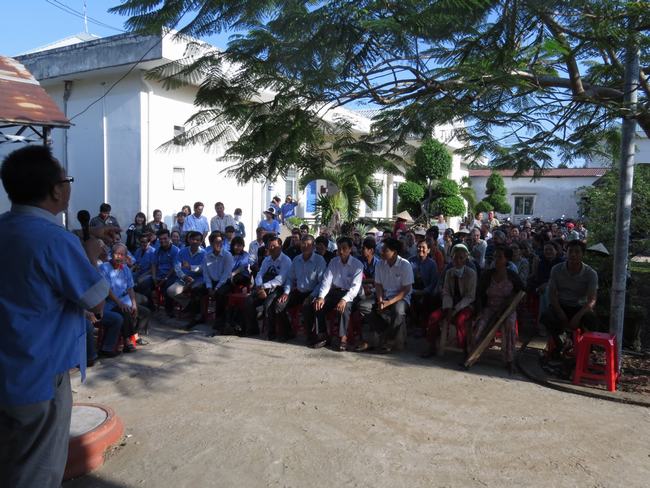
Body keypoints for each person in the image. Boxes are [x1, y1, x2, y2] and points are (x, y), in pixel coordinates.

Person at [0, 145, 109, 488]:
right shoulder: (56, 240)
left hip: (7, 370)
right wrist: (91, 255)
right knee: (38, 471)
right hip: (39, 377)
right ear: (56, 190)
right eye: (66, 180)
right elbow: (97, 301)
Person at [472, 246, 525, 373]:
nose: (496, 259)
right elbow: (479, 294)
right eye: (495, 256)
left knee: (510, 325)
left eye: (500, 257)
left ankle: (509, 360)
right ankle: (473, 355)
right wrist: (479, 311)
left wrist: (509, 304)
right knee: (480, 324)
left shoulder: (512, 276)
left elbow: (521, 292)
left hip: (507, 310)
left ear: (507, 260)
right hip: (489, 307)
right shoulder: (487, 275)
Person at [541, 240, 599, 355]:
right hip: (561, 304)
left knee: (592, 320)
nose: (573, 254)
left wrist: (578, 316)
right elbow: (552, 294)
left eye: (577, 252)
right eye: (570, 251)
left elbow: (592, 300)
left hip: (580, 307)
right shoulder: (556, 269)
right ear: (565, 253)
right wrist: (560, 313)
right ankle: (560, 344)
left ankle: (586, 350)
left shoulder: (591, 273)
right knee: (547, 317)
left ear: (583, 255)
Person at [308, 237, 363, 350]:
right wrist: (321, 297)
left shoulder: (357, 265)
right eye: (339, 248)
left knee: (344, 307)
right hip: (335, 292)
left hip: (351, 295)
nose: (341, 251)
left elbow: (355, 287)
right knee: (318, 304)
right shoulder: (333, 262)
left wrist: (344, 299)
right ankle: (323, 335)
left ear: (350, 249)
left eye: (344, 248)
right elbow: (326, 281)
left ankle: (343, 338)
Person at [424, 244, 477, 357]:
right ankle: (432, 346)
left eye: (461, 258)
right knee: (433, 317)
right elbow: (446, 292)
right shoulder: (449, 272)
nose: (457, 260)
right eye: (455, 257)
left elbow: (470, 296)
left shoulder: (471, 274)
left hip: (466, 305)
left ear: (465, 259)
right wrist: (448, 307)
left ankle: (465, 350)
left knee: (460, 320)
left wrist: (455, 309)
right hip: (450, 304)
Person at [99, 244, 151, 353]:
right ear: (111, 254)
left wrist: (134, 304)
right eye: (117, 254)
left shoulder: (125, 269)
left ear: (125, 256)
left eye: (122, 255)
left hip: (124, 300)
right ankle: (127, 341)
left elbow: (130, 288)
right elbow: (107, 290)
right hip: (110, 303)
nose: (119, 257)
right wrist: (120, 303)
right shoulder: (104, 268)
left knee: (145, 312)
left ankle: (134, 335)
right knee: (126, 312)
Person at [275, 235, 327, 342]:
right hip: (299, 292)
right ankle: (288, 331)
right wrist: (286, 292)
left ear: (313, 246)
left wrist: (312, 295)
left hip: (313, 292)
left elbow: (322, 282)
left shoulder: (319, 260)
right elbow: (290, 278)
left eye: (308, 244)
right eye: (303, 244)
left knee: (307, 306)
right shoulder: (296, 259)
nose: (305, 246)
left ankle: (311, 336)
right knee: (279, 305)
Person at [367, 238, 414, 353]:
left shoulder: (405, 265)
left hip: (401, 298)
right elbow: (378, 285)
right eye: (382, 249)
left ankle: (389, 339)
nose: (381, 252)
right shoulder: (380, 264)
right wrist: (380, 300)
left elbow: (406, 289)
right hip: (384, 296)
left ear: (394, 252)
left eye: (385, 250)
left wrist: (389, 302)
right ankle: (386, 331)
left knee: (398, 311)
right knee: (364, 306)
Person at [244, 236, 291, 337]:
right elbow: (260, 274)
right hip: (263, 287)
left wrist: (263, 287)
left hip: (279, 288)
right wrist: (260, 286)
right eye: (270, 246)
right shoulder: (267, 260)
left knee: (269, 304)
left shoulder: (286, 260)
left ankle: (272, 332)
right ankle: (253, 328)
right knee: (249, 301)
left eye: (274, 246)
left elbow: (280, 279)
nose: (272, 248)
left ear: (280, 247)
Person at [167, 231, 207, 328]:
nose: (195, 242)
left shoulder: (204, 253)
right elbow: (177, 267)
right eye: (193, 239)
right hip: (184, 278)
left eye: (197, 240)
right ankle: (189, 305)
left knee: (196, 290)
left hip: (198, 279)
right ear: (189, 240)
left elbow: (203, 268)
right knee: (170, 291)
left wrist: (190, 267)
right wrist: (184, 276)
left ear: (201, 242)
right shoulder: (182, 252)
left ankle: (196, 314)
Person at [203, 232, 235, 334]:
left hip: (224, 282)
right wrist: (209, 287)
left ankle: (220, 321)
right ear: (211, 243)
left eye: (221, 242)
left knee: (220, 294)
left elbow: (226, 275)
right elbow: (206, 274)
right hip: (212, 282)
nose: (219, 244)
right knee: (198, 290)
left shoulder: (227, 255)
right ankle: (200, 316)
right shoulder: (207, 256)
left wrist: (215, 288)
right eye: (216, 242)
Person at [408, 239, 439, 327]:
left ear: (428, 250)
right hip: (411, 290)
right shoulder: (410, 261)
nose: (421, 249)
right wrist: (412, 291)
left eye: (423, 247)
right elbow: (405, 279)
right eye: (419, 247)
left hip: (426, 291)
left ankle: (424, 324)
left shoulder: (432, 264)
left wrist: (423, 292)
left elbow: (433, 283)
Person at [152, 229, 180, 316]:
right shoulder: (157, 250)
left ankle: (169, 310)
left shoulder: (176, 250)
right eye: (160, 239)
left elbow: (174, 268)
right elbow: (154, 264)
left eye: (165, 238)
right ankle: (151, 307)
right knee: (144, 284)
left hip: (171, 276)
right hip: (159, 275)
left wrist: (165, 278)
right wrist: (154, 277)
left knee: (167, 287)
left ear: (170, 238)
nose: (162, 241)